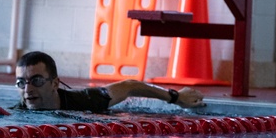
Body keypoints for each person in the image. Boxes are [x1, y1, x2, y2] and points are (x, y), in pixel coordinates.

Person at [14, 50, 206, 112]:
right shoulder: (17, 112)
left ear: (55, 83)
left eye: (36, 80)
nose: (28, 89)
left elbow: (129, 86)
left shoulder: (84, 100)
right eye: (21, 83)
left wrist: (176, 97)